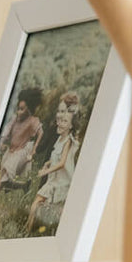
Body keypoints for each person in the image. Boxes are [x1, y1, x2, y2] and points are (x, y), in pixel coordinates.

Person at [27, 91, 80, 235]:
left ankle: (57, 233)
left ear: (70, 125)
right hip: (53, 179)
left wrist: (45, 171)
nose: (60, 122)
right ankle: (27, 230)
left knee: (59, 209)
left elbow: (62, 163)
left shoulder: (69, 140)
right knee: (37, 202)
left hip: (62, 181)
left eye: (64, 121)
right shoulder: (59, 138)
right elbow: (56, 158)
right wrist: (48, 163)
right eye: (60, 119)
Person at [0, 87, 44, 214]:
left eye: (22, 109)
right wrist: (2, 143)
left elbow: (40, 132)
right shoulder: (14, 120)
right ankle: (23, 186)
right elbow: (6, 133)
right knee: (5, 183)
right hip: (10, 153)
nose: (19, 112)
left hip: (20, 152)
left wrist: (33, 150)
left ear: (29, 109)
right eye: (18, 108)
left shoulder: (33, 121)